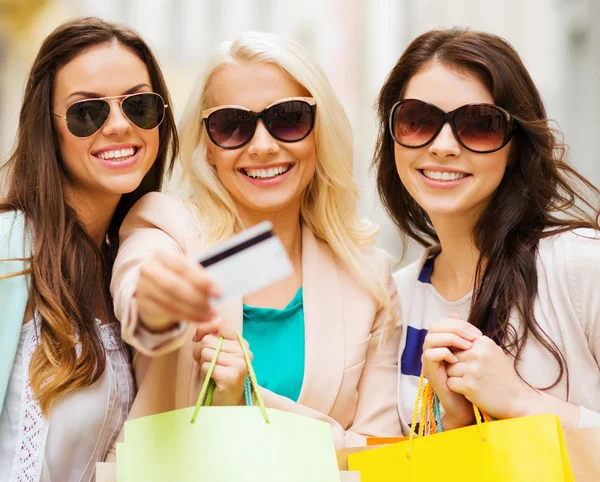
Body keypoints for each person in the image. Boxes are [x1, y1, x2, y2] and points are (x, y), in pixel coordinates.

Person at [110, 31, 402, 448]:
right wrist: (158, 301)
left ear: (320, 132)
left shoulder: (368, 276)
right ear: (207, 146)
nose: (263, 146)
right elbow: (139, 297)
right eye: (232, 126)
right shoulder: (168, 225)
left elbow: (381, 452)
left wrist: (249, 402)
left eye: (289, 118)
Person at [374, 28, 600, 433]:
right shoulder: (393, 301)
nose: (443, 145)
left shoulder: (581, 266)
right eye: (418, 120)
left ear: (515, 146)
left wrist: (519, 400)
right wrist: (460, 423)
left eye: (479, 124)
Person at [0, 17, 178, 480]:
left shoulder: (126, 265)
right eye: (88, 112)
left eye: (138, 106)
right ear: (48, 127)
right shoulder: (8, 249)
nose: (119, 126)